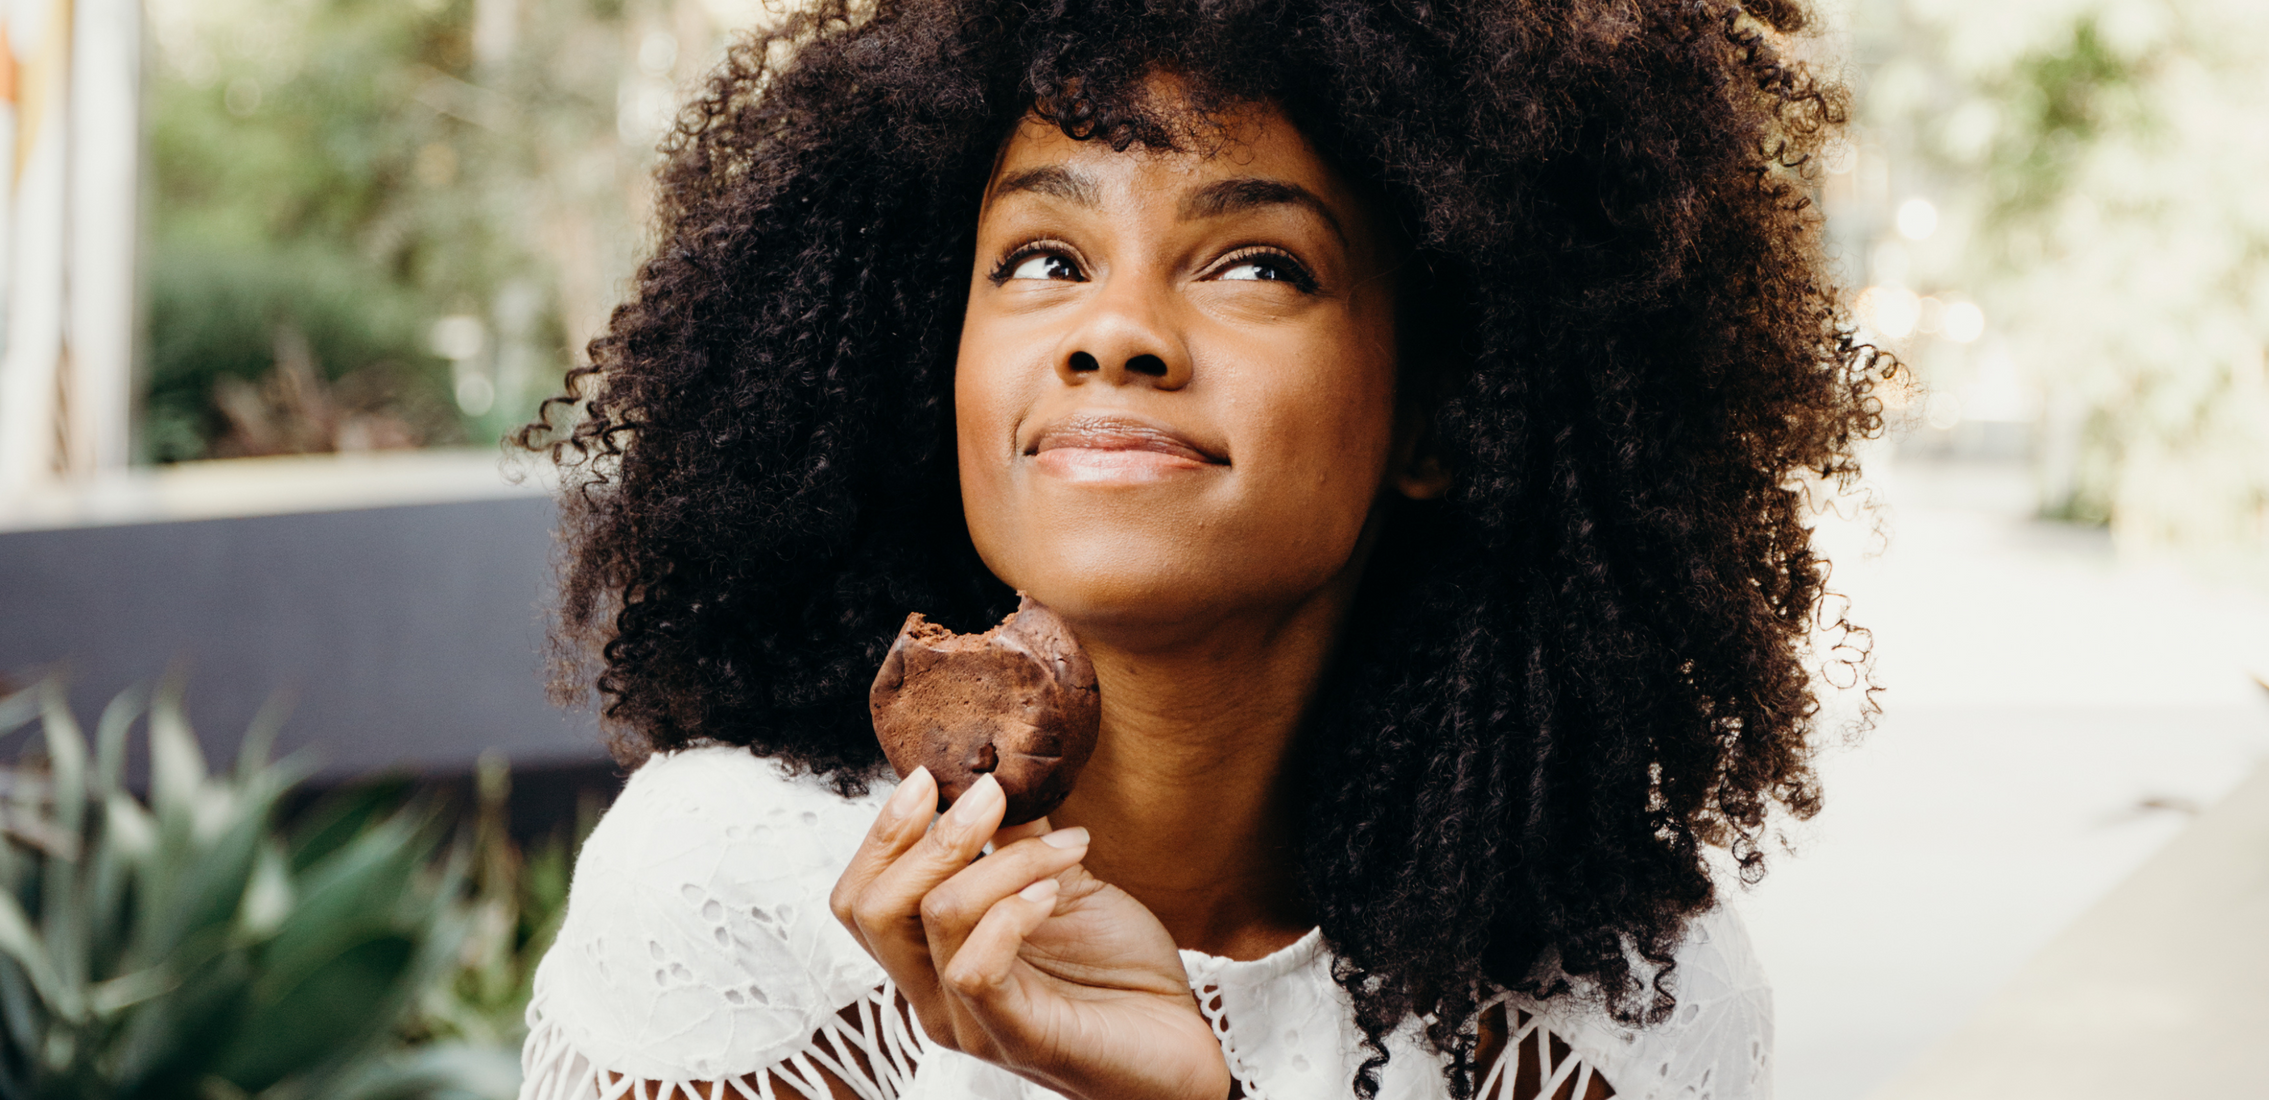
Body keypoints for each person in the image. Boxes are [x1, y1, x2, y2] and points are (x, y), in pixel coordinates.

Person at [512, 0, 1886, 1095]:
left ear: (1446, 416)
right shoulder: (734, 893)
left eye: (1256, 264)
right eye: (1044, 257)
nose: (1114, 331)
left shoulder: (1615, 995)